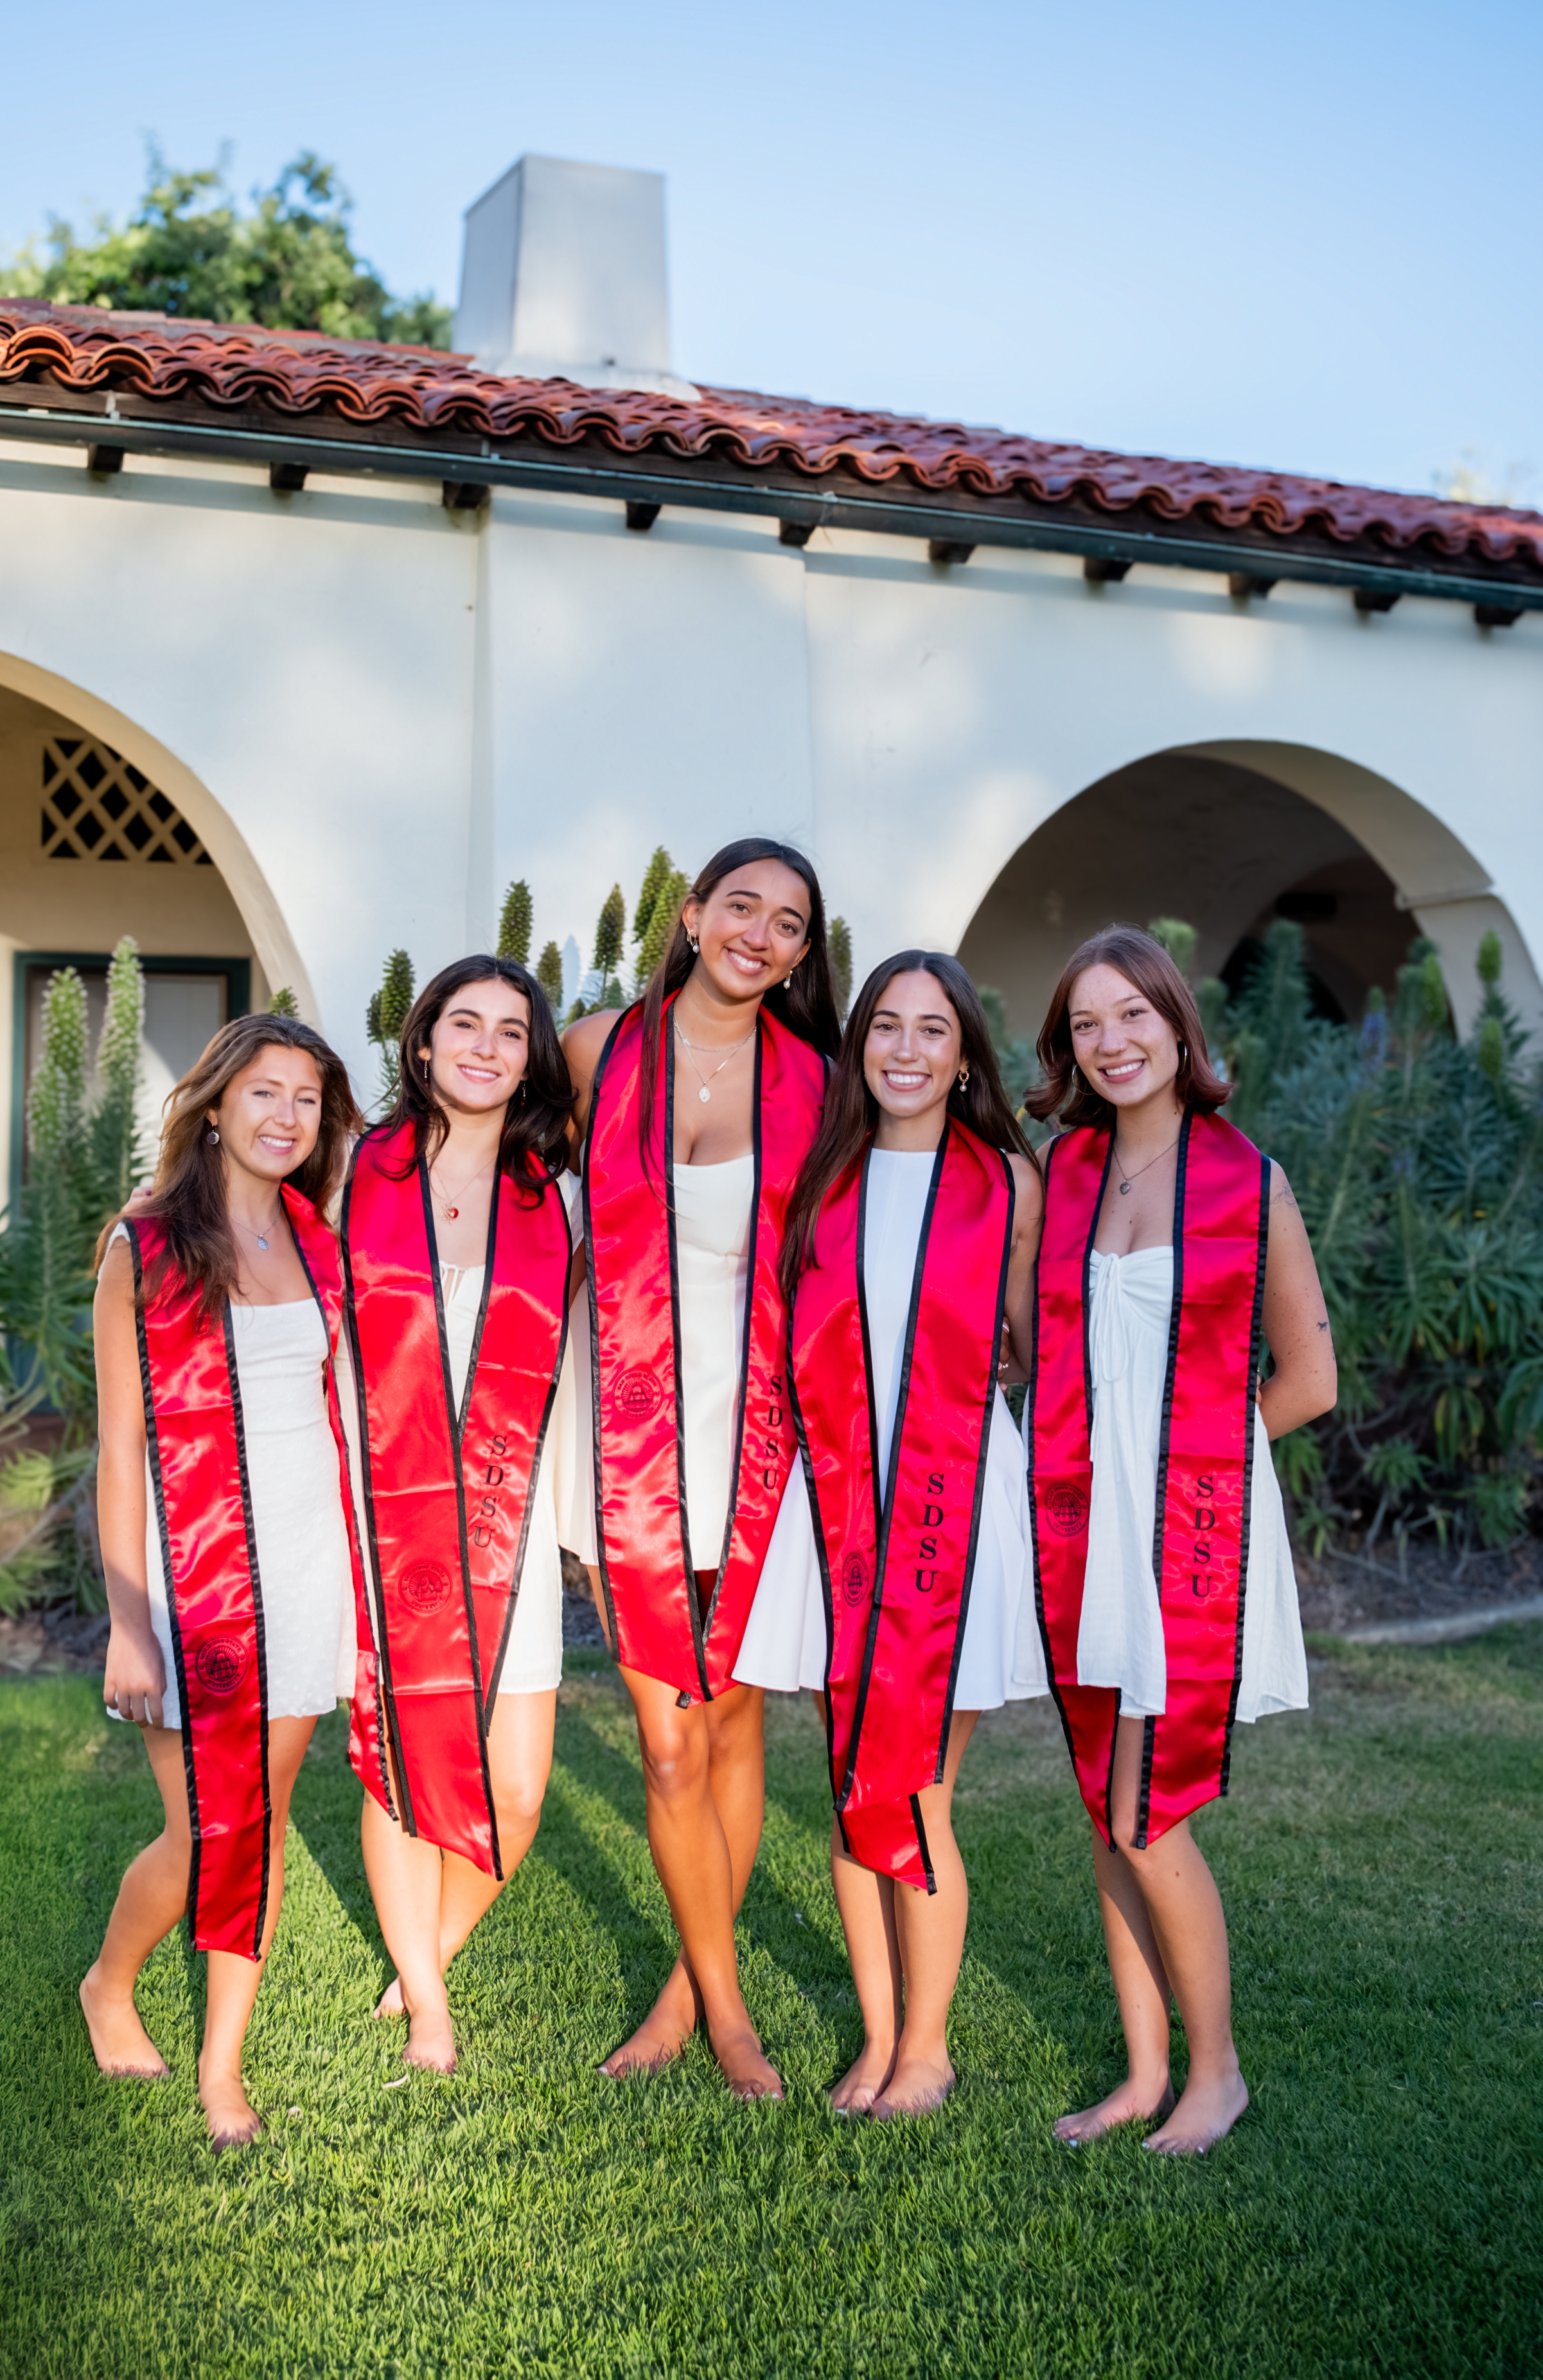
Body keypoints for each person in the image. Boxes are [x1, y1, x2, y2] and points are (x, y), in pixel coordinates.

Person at [1024, 926, 1336, 2156]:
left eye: (1132, 1016)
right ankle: (1143, 2072)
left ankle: (1218, 2074)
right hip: (1083, 1523)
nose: (1111, 1043)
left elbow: (1308, 1378)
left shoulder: (1245, 1180)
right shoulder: (1067, 1177)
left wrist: (1196, 1454)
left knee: (1149, 1808)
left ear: (1176, 1025)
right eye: (1086, 1025)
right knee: (1107, 1808)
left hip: (1188, 1524)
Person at [736, 952, 1046, 2117]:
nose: (906, 1051)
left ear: (965, 1055)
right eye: (886, 1028)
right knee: (850, 1781)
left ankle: (928, 2047)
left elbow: (1023, 1349)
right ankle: (874, 2036)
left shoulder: (1007, 1184)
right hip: (833, 1516)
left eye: (933, 1031)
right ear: (859, 1046)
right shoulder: (822, 1180)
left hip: (951, 1507)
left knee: (916, 1787)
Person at [561, 839, 838, 2099]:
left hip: (762, 1435)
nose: (761, 934)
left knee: (733, 1720)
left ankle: (687, 1995)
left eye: (789, 923)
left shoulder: (819, 1082)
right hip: (626, 1430)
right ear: (693, 914)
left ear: (800, 953)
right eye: (743, 905)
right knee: (666, 1742)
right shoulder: (596, 1049)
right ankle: (730, 2015)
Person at [81, 1015, 366, 2150]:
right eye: (264, 1092)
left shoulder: (319, 1244)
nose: (287, 1116)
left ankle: (222, 2066)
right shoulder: (142, 1248)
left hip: (303, 1565)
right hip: (187, 1572)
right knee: (207, 1825)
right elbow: (119, 1450)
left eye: (307, 1098)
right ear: (213, 1108)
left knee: (264, 1819)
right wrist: (127, 1623)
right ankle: (111, 1982)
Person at [341, 958, 583, 2075]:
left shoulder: (557, 1198)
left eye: (511, 1031)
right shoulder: (355, 1175)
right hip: (382, 1513)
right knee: (399, 1757)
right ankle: (430, 2003)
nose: (487, 1046)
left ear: (531, 1058)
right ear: (423, 1042)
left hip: (507, 1515)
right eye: (464, 1024)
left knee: (520, 1785)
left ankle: (423, 1952)